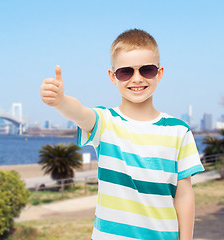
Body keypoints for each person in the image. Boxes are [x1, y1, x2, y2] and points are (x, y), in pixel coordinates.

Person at [40, 28, 204, 240]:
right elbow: (80, 113)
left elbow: (184, 195)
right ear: (112, 76)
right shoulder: (105, 122)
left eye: (147, 70)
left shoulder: (178, 130)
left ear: (160, 73)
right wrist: (61, 102)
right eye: (126, 72)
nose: (136, 79)